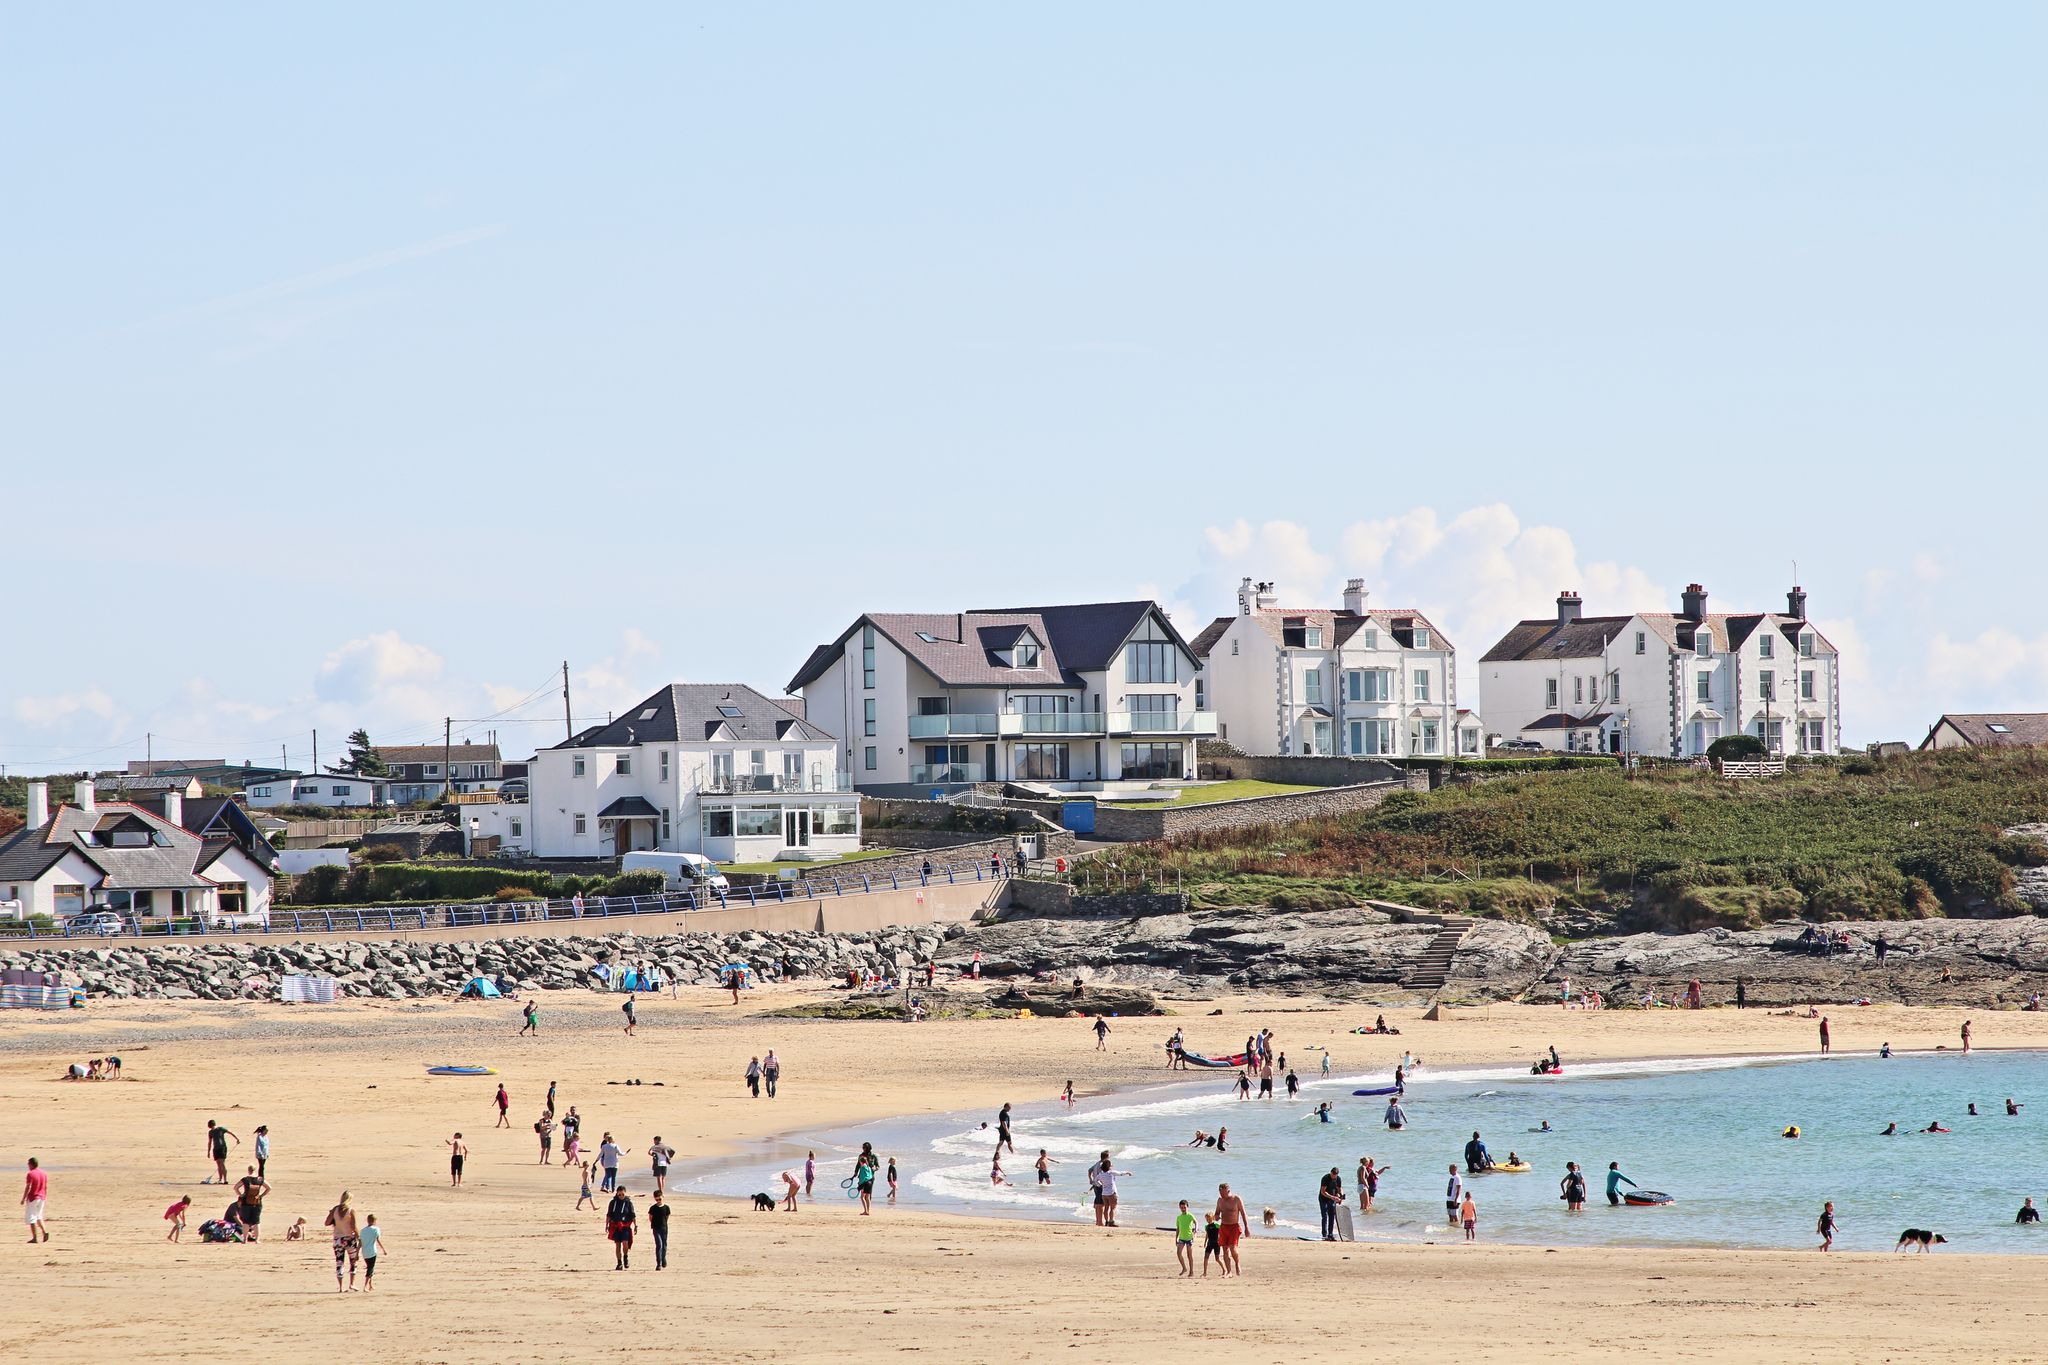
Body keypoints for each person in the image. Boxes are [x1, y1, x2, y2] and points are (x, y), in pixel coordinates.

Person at [325, 1192, 361, 1292]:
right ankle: (352, 1284)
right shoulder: (351, 1210)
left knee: (339, 1262)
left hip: (338, 1239)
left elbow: (327, 1222)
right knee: (353, 1261)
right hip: (349, 1238)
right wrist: (359, 1236)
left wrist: (335, 1220)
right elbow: (354, 1227)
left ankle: (341, 1287)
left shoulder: (335, 1209)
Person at [1212, 1182, 1247, 1277]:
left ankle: (1237, 1263)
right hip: (1223, 1227)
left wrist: (1246, 1228)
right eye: (1220, 1193)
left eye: (1223, 1193)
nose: (1221, 1195)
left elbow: (1243, 1214)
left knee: (1232, 1248)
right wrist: (1216, 1217)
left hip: (1234, 1226)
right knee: (1225, 1250)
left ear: (1228, 1191)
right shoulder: (1220, 1201)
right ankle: (1229, 1272)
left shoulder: (1236, 1199)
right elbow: (1216, 1213)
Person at [1092, 1152, 1130, 1227]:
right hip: (1112, 1193)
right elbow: (1120, 1173)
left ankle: (1106, 1221)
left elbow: (1095, 1180)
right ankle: (1111, 1222)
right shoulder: (1111, 1172)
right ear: (1109, 1166)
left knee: (1106, 1208)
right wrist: (1128, 1172)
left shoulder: (1101, 1174)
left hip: (1104, 1194)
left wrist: (1101, 1184)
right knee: (1112, 1208)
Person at [234, 1165, 270, 1240]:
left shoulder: (245, 1179)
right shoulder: (260, 1179)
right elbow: (269, 1188)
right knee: (256, 1222)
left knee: (245, 1222)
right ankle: (257, 1240)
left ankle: (245, 1239)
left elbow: (236, 1187)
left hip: (246, 1202)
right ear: (255, 1170)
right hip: (257, 1202)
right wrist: (261, 1195)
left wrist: (241, 1195)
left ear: (248, 1170)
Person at [605, 1187, 636, 1269]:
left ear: (625, 1193)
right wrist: (607, 1225)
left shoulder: (628, 1203)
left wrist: (635, 1225)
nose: (621, 1196)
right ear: (617, 1193)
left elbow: (633, 1215)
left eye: (623, 1194)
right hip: (615, 1226)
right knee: (617, 1245)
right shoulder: (613, 1203)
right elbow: (608, 1215)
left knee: (625, 1243)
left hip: (625, 1226)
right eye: (619, 1194)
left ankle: (625, 1257)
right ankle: (619, 1263)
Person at [203, 1120, 240, 1186]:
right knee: (219, 1164)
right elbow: (210, 1142)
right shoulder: (213, 1131)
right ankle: (221, 1179)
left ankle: (224, 1180)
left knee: (221, 1163)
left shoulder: (219, 1129)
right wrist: (208, 1151)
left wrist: (237, 1139)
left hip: (221, 1148)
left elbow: (230, 1132)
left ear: (209, 1125)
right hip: (217, 1148)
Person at [22, 1158, 49, 1244]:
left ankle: (35, 1238)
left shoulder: (30, 1174)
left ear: (31, 1164)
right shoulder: (43, 1173)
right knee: (39, 1216)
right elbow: (45, 1186)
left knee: (32, 1217)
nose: (28, 1165)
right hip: (42, 1197)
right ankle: (44, 1232)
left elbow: (28, 1187)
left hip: (33, 1197)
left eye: (28, 1164)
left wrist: (23, 1198)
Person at [1318, 1167, 1344, 1240]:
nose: (1333, 1177)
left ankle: (1330, 1234)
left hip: (1332, 1199)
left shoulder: (1338, 1179)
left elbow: (1339, 1189)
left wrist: (1340, 1196)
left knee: (1332, 1216)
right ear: (1331, 1173)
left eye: (1335, 1176)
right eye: (1333, 1175)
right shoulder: (1325, 1178)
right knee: (1324, 1216)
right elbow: (1323, 1191)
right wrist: (1332, 1197)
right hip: (1323, 1199)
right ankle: (1324, 1234)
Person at [359, 1215, 384, 1290]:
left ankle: (370, 1285)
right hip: (372, 1252)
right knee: (370, 1268)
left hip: (364, 1252)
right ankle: (365, 1286)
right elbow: (378, 1240)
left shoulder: (363, 1230)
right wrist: (383, 1250)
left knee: (369, 1267)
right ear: (374, 1221)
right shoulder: (376, 1229)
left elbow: (360, 1243)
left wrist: (357, 1252)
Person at [1174, 1199, 1197, 1276]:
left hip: (1189, 1238)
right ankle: (1184, 1268)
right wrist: (1176, 1238)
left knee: (1189, 1255)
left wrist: (1195, 1231)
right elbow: (1178, 1228)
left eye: (1184, 1207)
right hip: (1181, 1238)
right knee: (1178, 1253)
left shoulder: (1190, 1215)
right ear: (1179, 1208)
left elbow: (1196, 1222)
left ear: (1187, 1207)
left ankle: (1191, 1271)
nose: (1183, 1209)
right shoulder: (1179, 1217)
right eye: (1181, 1207)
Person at [648, 1194, 671, 1267]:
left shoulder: (666, 1207)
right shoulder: (653, 1208)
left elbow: (667, 1217)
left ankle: (663, 1258)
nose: (658, 1201)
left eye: (659, 1199)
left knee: (664, 1244)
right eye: (656, 1200)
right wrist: (654, 1224)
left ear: (662, 1197)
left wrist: (664, 1224)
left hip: (664, 1228)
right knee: (659, 1244)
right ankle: (658, 1263)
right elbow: (650, 1218)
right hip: (656, 1228)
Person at [855, 1143, 879, 1214]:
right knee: (865, 1195)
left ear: (868, 1148)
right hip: (862, 1177)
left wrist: (875, 1168)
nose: (863, 1149)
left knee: (868, 1194)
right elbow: (858, 1165)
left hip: (871, 1177)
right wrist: (856, 1172)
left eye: (864, 1148)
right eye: (863, 1148)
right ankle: (866, 1210)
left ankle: (867, 1210)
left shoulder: (873, 1156)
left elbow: (878, 1166)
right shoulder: (861, 1156)